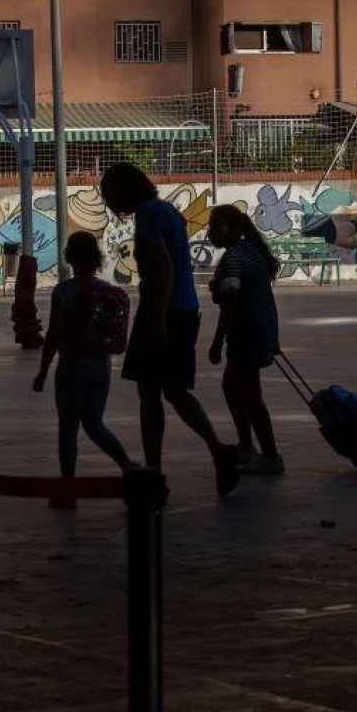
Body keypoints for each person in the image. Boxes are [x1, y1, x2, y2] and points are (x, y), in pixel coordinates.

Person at [99, 161, 241, 495]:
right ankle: (219, 451)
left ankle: (154, 471)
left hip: (164, 314)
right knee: (174, 391)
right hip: (184, 310)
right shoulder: (167, 212)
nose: (107, 202)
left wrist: (157, 321)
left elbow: (162, 269)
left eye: (109, 194)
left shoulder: (149, 215)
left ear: (123, 191)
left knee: (149, 395)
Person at [34, 232, 139, 509]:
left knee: (68, 428)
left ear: (70, 257)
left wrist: (43, 372)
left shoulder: (64, 292)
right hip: (100, 366)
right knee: (94, 423)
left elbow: (54, 335)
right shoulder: (107, 290)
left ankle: (67, 489)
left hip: (71, 366)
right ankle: (128, 466)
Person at [206, 205, 284, 476]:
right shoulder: (251, 252)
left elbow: (229, 305)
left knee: (250, 396)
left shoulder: (233, 259)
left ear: (230, 229)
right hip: (261, 329)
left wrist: (216, 343)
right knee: (232, 386)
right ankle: (247, 446)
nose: (209, 232)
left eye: (214, 226)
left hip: (246, 334)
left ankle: (270, 456)